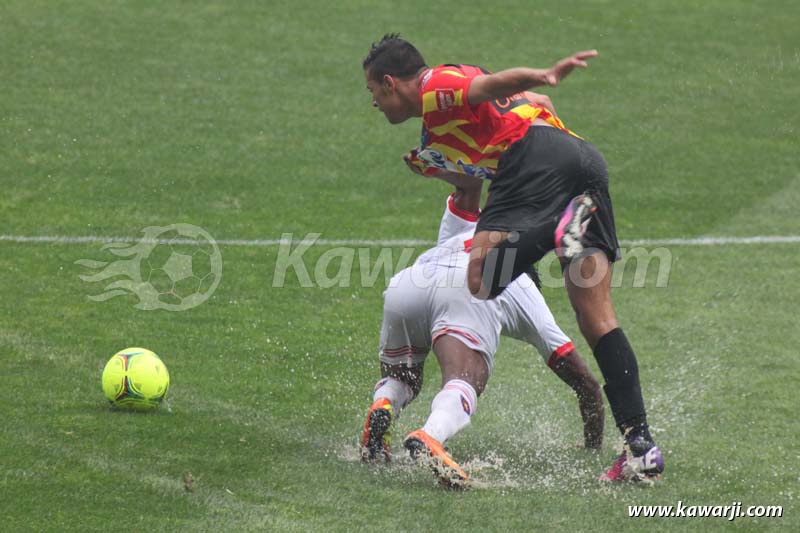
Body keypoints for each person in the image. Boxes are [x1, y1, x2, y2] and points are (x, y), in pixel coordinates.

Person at [362, 34, 663, 482]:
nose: (374, 104)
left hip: (532, 164)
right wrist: (434, 163)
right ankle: (641, 447)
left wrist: (542, 73)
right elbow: (531, 104)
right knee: (597, 318)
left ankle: (555, 230)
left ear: (390, 83)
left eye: (373, 93)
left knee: (481, 276)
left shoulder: (433, 85)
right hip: (583, 164)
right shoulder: (438, 129)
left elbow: (495, 85)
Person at [360, 183, 604, 488]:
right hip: (463, 290)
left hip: (407, 285)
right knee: (466, 376)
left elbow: (465, 192)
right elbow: (584, 381)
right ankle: (430, 435)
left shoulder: (471, 230)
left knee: (405, 378)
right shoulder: (523, 287)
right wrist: (593, 444)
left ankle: (384, 402)